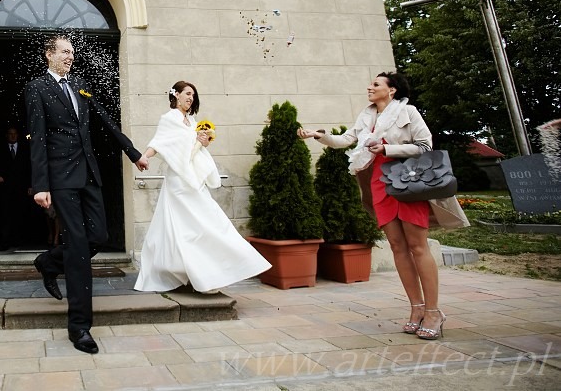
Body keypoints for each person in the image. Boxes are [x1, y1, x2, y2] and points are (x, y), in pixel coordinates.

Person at [297, 72, 468, 341]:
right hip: (379, 184)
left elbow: (425, 145)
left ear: (391, 90)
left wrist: (388, 150)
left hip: (409, 183)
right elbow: (346, 140)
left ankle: (434, 312)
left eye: (376, 84)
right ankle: (416, 309)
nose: (369, 87)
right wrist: (318, 135)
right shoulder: (366, 116)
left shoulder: (408, 112)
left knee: (417, 246)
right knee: (398, 247)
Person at [25, 35, 149, 354]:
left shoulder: (80, 84)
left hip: (89, 174)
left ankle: (49, 262)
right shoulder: (37, 88)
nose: (70, 56)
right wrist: (41, 185)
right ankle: (80, 327)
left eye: (72, 52)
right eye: (64, 52)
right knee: (79, 248)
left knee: (98, 235)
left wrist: (133, 153)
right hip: (61, 178)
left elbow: (105, 120)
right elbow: (36, 138)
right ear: (49, 53)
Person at [135, 81, 271, 293]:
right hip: (179, 181)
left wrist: (203, 141)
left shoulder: (192, 120)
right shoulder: (168, 119)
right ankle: (190, 273)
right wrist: (143, 157)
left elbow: (194, 146)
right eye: (187, 94)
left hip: (194, 179)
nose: (191, 98)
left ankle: (206, 272)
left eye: (193, 95)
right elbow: (158, 143)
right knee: (184, 227)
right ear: (176, 95)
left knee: (207, 221)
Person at [0, 125, 33, 251]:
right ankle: (5, 241)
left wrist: (31, 185)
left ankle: (18, 240)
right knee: (5, 214)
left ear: (18, 135)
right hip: (5, 188)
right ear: (6, 135)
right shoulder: (0, 149)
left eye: (15, 133)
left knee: (19, 214)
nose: (13, 136)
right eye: (10, 133)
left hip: (21, 187)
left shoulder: (25, 149)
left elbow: (29, 167)